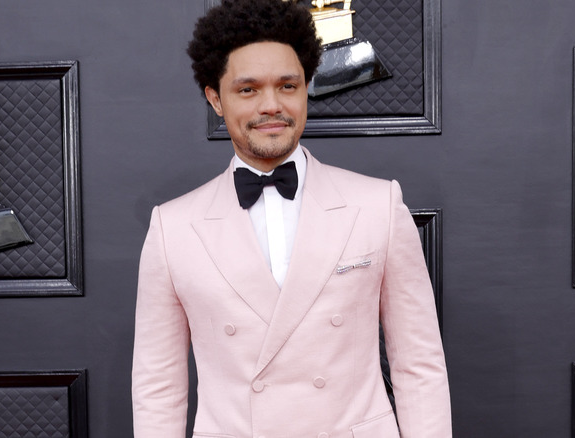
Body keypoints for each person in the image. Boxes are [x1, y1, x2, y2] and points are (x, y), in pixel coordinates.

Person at [131, 0, 452, 436]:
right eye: (248, 90)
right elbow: (158, 387)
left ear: (305, 88)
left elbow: (419, 364)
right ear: (215, 99)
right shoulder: (173, 228)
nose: (271, 106)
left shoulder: (378, 204)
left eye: (287, 86)